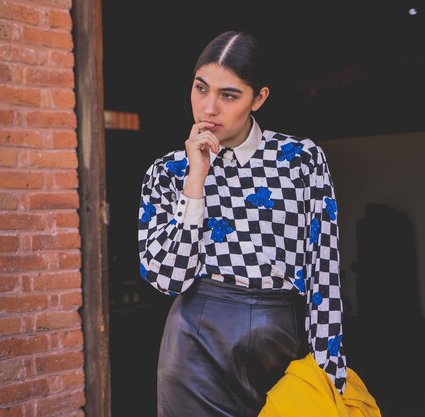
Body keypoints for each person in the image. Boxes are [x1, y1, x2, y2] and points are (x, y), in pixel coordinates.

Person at [137, 30, 346, 417]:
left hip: (280, 337)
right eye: (200, 89)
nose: (208, 108)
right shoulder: (167, 172)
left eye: (228, 95)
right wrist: (195, 183)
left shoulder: (300, 159)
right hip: (195, 341)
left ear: (259, 98)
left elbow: (324, 271)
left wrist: (330, 369)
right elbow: (167, 280)